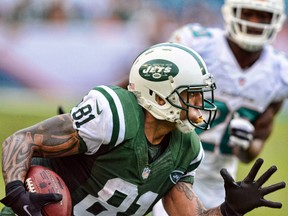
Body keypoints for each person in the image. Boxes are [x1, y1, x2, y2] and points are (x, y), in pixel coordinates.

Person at [0, 42, 286, 216]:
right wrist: (16, 193)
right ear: (159, 96)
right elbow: (21, 139)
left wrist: (229, 209)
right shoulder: (113, 115)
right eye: (192, 95)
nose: (201, 105)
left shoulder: (186, 147)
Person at [153, 0, 288, 214]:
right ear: (231, 12)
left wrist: (244, 145)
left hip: (220, 179)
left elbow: (254, 147)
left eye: (263, 16)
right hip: (174, 167)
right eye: (248, 13)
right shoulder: (197, 44)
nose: (254, 22)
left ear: (276, 20)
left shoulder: (279, 73)